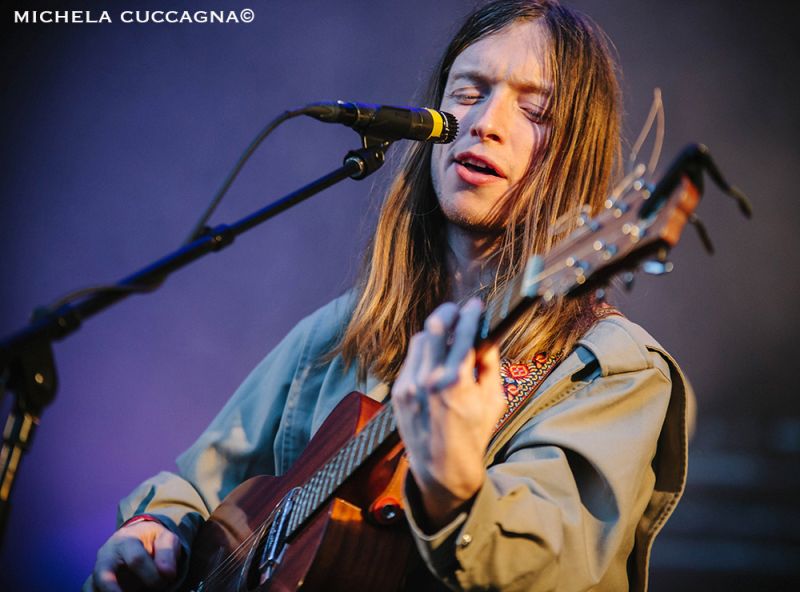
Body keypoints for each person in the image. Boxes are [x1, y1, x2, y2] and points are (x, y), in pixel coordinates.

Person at [86, 1, 692, 590]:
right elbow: (200, 484)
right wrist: (156, 525)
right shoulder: (343, 329)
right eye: (468, 93)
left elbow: (557, 571)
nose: (485, 122)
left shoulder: (611, 368)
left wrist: (455, 489)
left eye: (535, 110)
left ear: (577, 155)